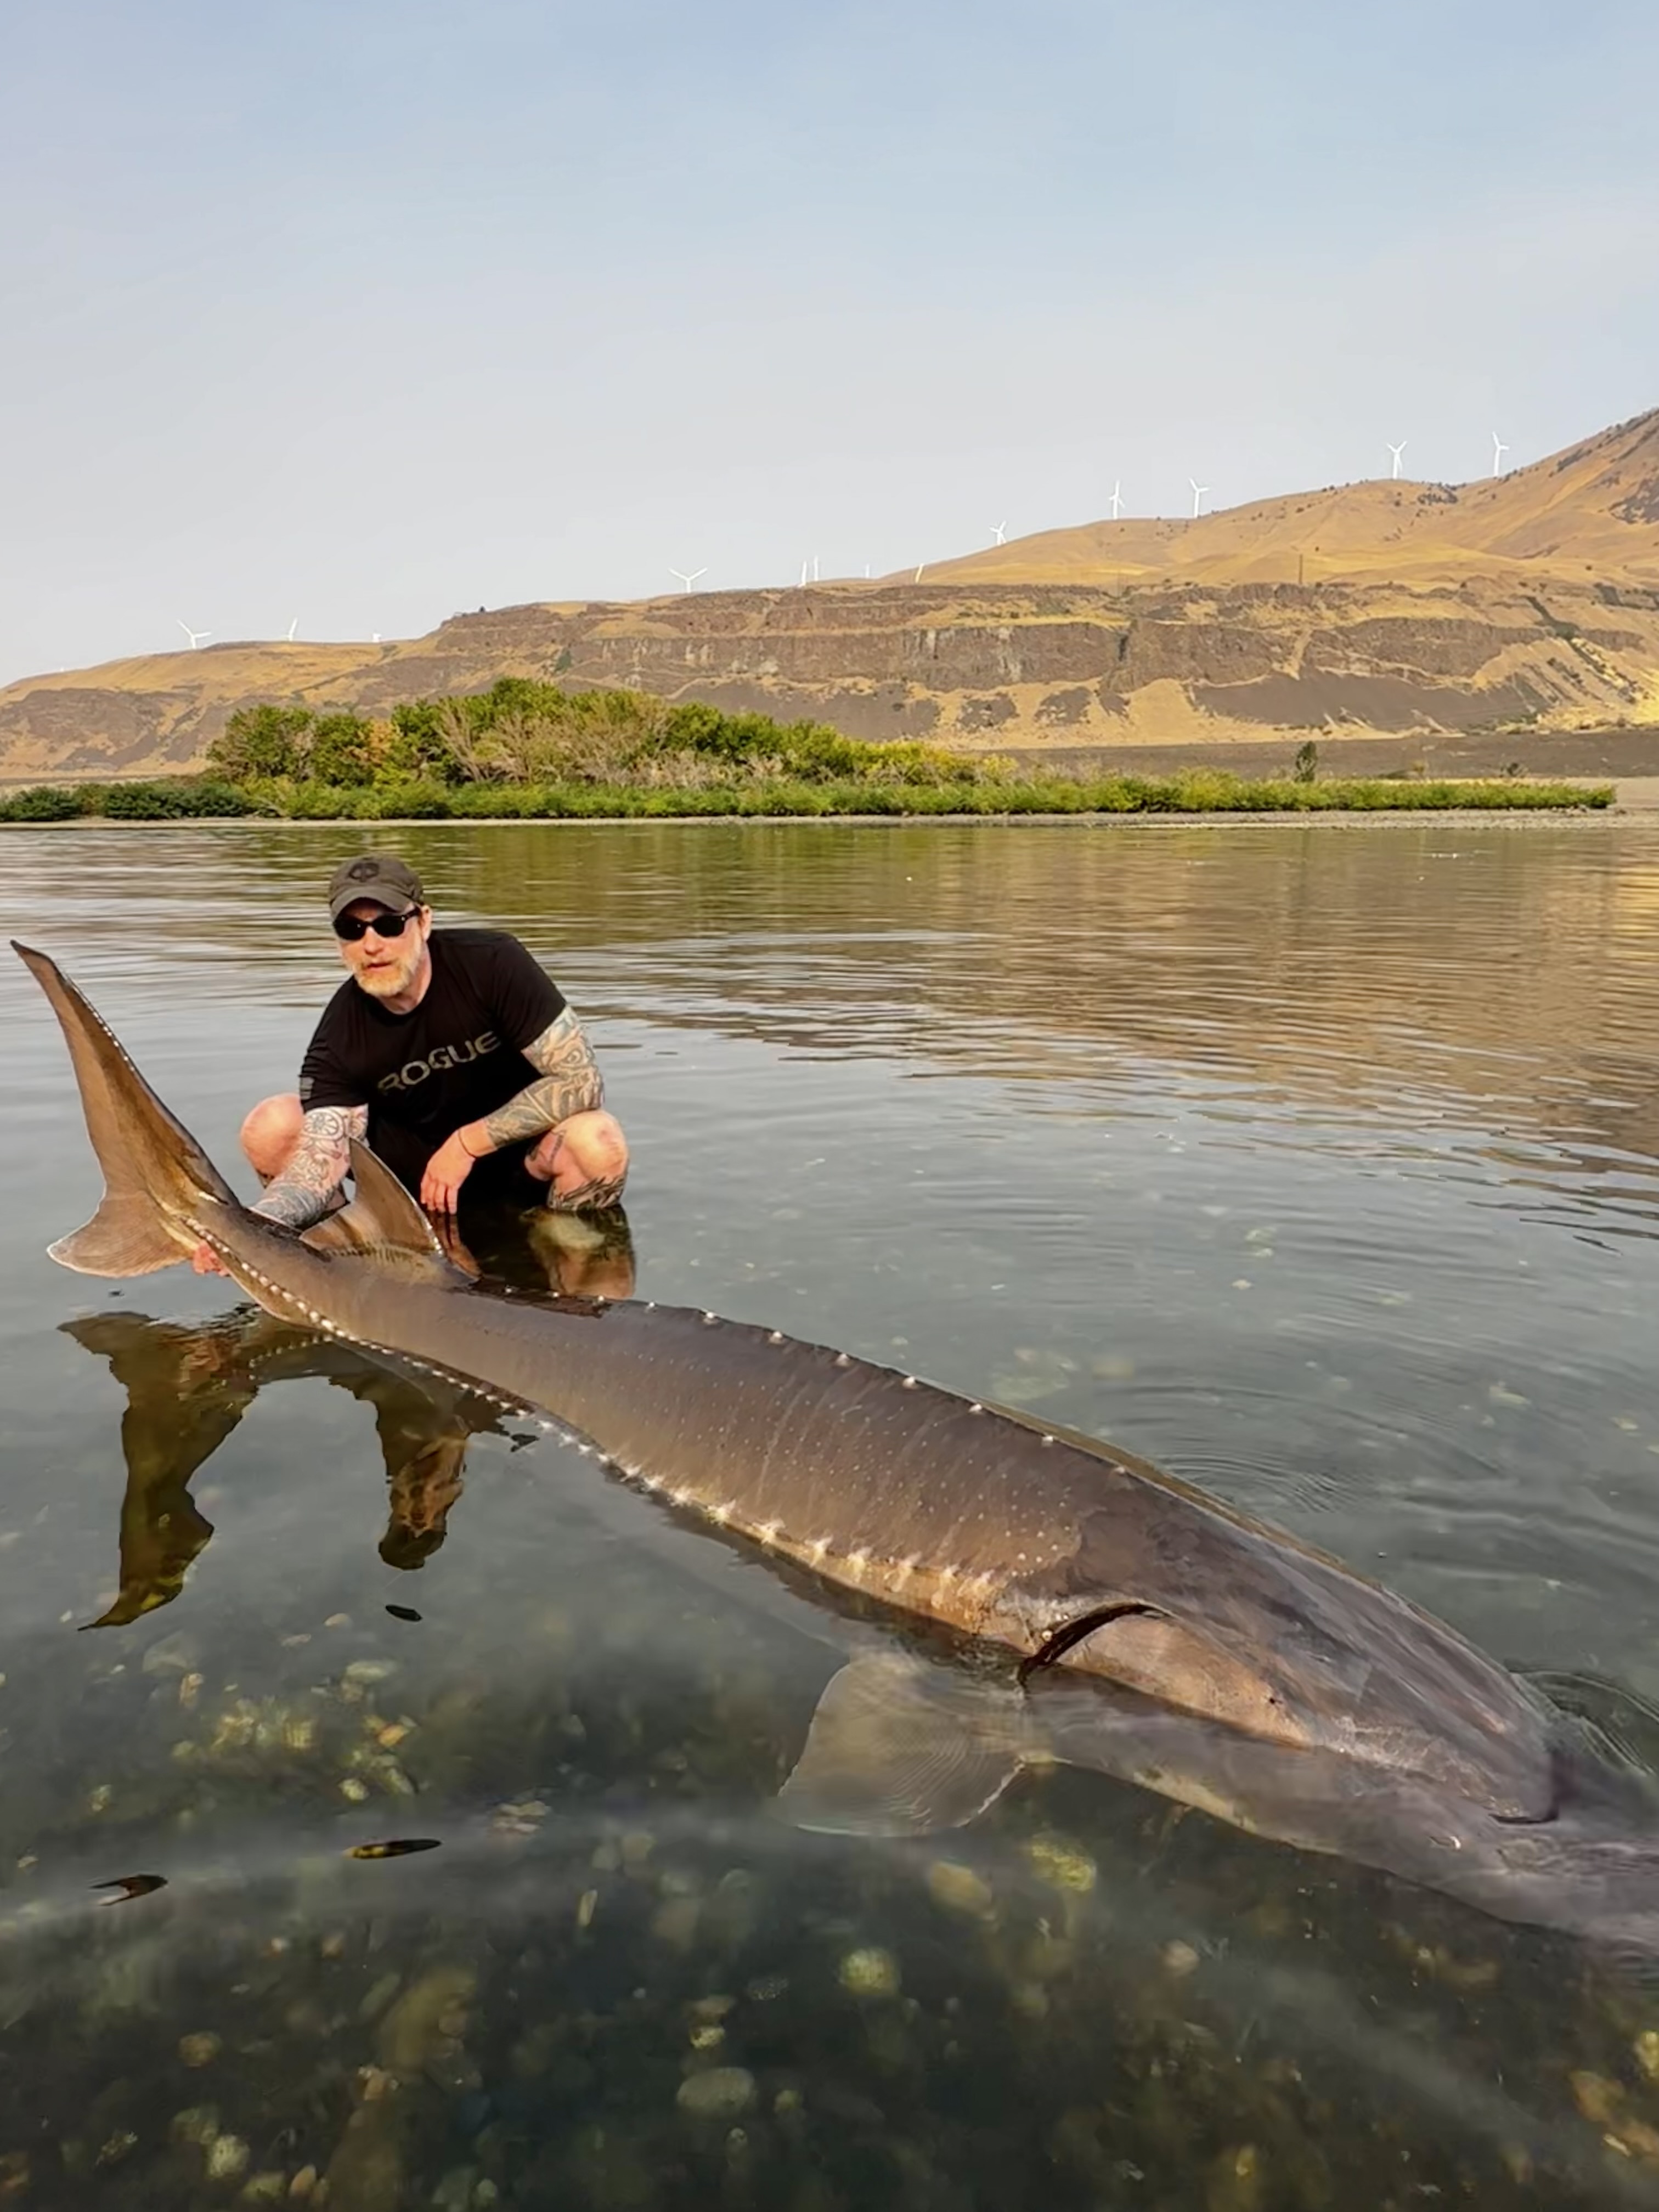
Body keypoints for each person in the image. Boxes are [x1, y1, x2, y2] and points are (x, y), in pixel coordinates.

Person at [193, 854, 629, 1274]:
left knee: (598, 1140)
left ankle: (557, 1258)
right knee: (273, 1125)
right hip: (408, 1197)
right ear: (339, 942)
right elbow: (318, 1163)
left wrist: (467, 1144)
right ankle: (349, 1267)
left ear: (424, 922)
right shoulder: (340, 1036)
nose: (372, 945)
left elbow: (581, 1080)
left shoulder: (493, 964)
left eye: (389, 924)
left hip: (517, 1170)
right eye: (352, 929)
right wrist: (251, 1230)